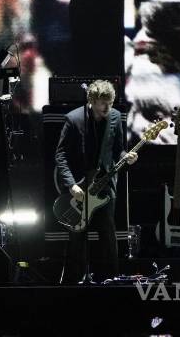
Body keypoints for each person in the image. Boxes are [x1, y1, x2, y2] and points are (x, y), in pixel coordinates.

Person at [54, 79, 137, 283]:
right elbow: (60, 155)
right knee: (78, 237)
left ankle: (111, 281)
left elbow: (119, 149)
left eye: (110, 102)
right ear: (91, 101)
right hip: (80, 185)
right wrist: (71, 184)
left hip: (105, 186)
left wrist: (128, 157)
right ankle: (74, 283)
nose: (107, 107)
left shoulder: (116, 117)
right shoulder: (73, 119)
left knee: (108, 235)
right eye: (103, 103)